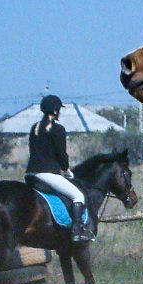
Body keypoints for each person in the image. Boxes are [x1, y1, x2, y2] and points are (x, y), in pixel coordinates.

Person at [26, 94, 92, 242]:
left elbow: (32, 151)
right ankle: (77, 232)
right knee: (78, 196)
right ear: (55, 111)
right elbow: (61, 154)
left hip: (30, 174)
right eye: (59, 110)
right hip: (47, 173)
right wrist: (67, 170)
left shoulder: (34, 128)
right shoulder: (58, 129)